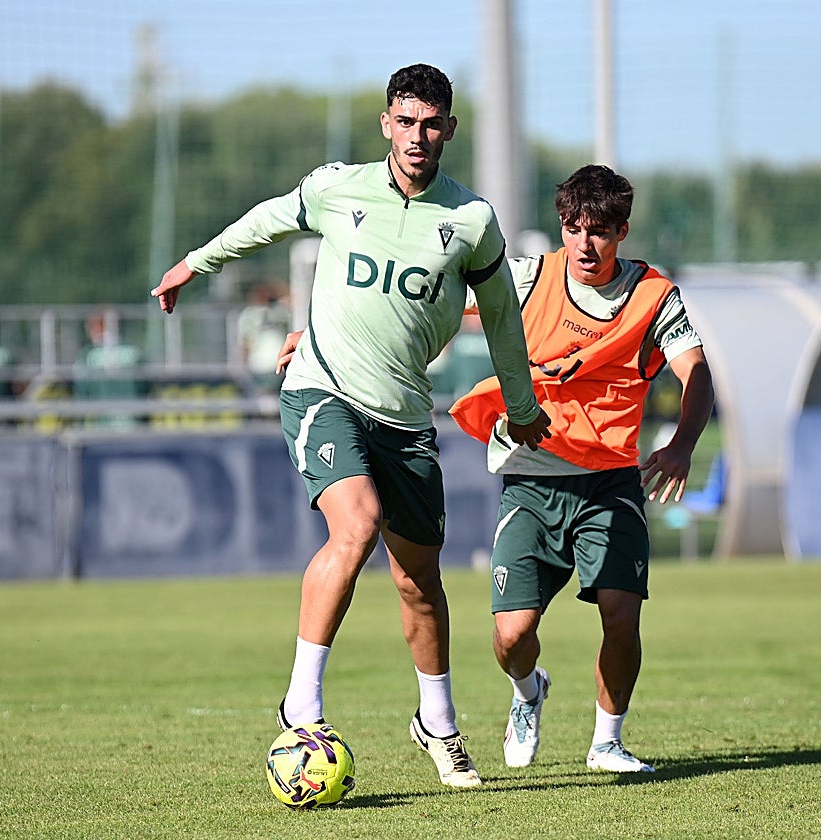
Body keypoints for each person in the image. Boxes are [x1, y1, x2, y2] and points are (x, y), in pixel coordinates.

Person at [150, 63, 550, 789]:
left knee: (419, 584)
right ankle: (301, 703)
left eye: (432, 123)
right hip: (322, 390)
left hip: (405, 418)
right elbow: (266, 219)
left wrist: (521, 409)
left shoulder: (472, 221)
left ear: (450, 129)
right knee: (355, 524)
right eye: (406, 121)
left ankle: (439, 723)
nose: (418, 135)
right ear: (386, 124)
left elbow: (502, 325)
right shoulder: (340, 188)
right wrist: (193, 264)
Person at [449, 164, 715, 772]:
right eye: (573, 228)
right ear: (561, 227)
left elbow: (695, 370)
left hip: (610, 485)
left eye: (599, 231)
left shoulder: (653, 295)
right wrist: (318, 334)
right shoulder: (527, 277)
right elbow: (439, 307)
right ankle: (527, 691)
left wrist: (682, 443)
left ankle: (607, 742)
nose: (584, 244)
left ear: (621, 231)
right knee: (512, 635)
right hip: (531, 478)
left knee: (622, 615)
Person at [234, 280, 294, 396]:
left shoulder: (278, 312)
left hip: (273, 365)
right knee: (266, 402)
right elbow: (245, 343)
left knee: (271, 401)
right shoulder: (249, 315)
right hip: (262, 366)